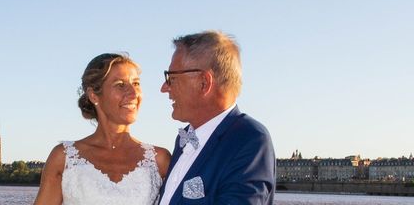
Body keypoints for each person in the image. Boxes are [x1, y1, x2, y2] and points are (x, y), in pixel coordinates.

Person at [34, 53, 171, 205]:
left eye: (136, 83)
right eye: (120, 85)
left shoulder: (160, 160)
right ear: (93, 95)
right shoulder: (63, 157)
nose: (133, 93)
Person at [159, 31, 275, 204]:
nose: (164, 88)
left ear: (204, 82)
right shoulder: (182, 140)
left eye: (172, 78)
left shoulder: (248, 139)